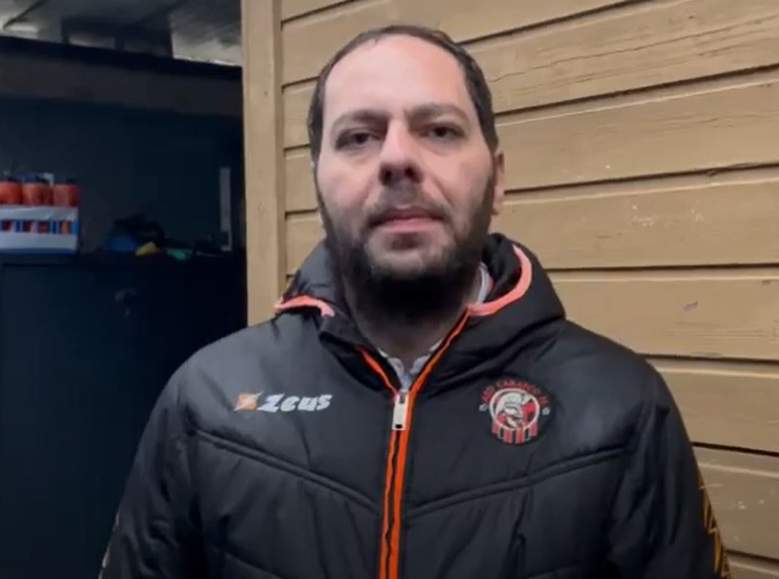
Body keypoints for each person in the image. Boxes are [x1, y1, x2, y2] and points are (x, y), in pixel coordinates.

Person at [101, 25, 730, 579]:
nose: (398, 158)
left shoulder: (621, 409)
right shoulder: (206, 404)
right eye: (359, 137)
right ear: (317, 182)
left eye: (439, 130)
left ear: (498, 178)